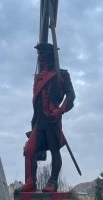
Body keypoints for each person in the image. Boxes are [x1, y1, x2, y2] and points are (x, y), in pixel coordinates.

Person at [18, 43, 75, 193]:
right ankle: (31, 181)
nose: (41, 59)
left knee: (55, 151)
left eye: (43, 56)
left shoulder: (62, 74)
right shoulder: (38, 78)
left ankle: (53, 181)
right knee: (29, 150)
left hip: (52, 119)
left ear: (51, 57)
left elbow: (71, 96)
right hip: (39, 122)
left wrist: (60, 110)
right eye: (39, 56)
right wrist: (33, 122)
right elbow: (36, 101)